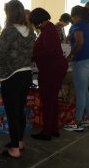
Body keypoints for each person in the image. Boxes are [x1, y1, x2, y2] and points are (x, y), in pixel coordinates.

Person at [0, 0, 35, 158]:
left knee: (12, 113)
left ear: (9, 13)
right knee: (20, 111)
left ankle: (15, 149)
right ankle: (19, 141)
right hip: (26, 74)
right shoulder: (30, 30)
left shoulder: (9, 31)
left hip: (11, 76)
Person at [29, 8, 68, 140]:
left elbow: (48, 52)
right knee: (53, 99)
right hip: (55, 68)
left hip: (51, 69)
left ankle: (46, 132)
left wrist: (32, 57)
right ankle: (53, 129)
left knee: (47, 100)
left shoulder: (48, 31)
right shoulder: (49, 29)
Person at [63, 5, 89, 132]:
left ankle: (77, 122)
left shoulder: (77, 25)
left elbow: (80, 41)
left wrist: (70, 56)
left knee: (80, 92)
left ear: (75, 16)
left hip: (83, 62)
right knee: (84, 90)